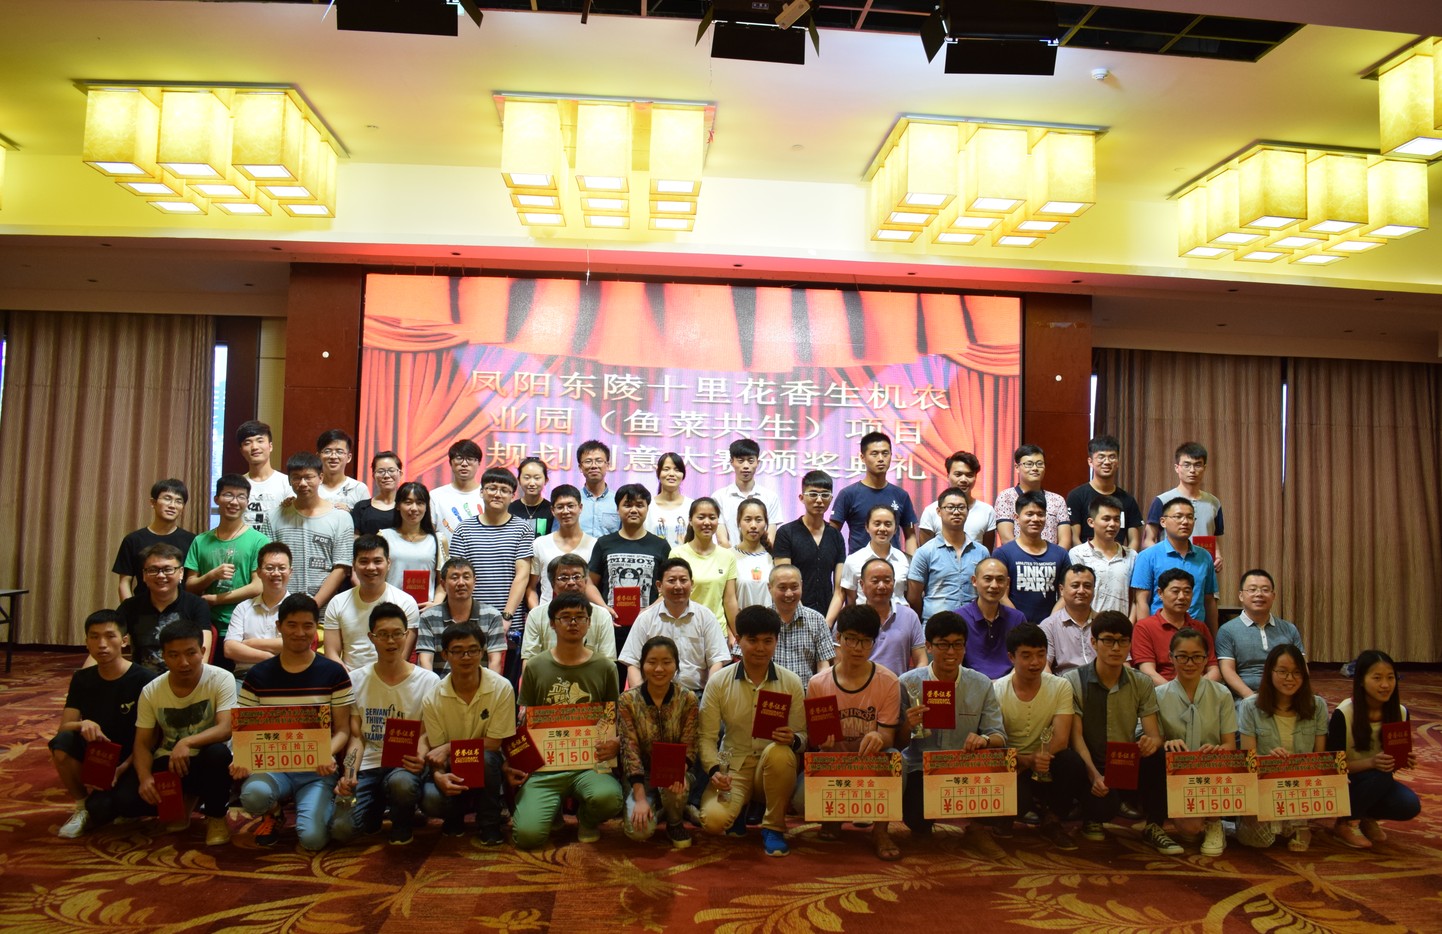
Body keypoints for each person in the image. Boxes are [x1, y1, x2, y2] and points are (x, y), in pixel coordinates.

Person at [235, 594, 354, 850]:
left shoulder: (333, 673)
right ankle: (273, 812)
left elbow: (343, 730)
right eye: (292, 625)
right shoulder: (258, 675)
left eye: (307, 626)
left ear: (316, 629)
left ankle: (322, 805)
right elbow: (245, 731)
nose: (300, 633)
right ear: (279, 626)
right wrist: (240, 759)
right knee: (254, 795)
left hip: (316, 770)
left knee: (312, 840)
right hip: (273, 767)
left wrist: (327, 753)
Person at [510, 594, 625, 849]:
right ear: (552, 623)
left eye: (580, 617)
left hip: (590, 763)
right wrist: (520, 762)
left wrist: (616, 742)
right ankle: (552, 812)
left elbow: (612, 716)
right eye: (565, 617)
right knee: (527, 837)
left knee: (609, 799)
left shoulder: (605, 667)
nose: (573, 623)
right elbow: (526, 721)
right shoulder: (536, 666)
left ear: (589, 622)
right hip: (546, 765)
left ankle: (587, 819)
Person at [1061, 612, 1180, 855]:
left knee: (1159, 756)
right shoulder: (1073, 680)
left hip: (1124, 764)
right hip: (1090, 765)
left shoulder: (1141, 682)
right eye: (1108, 640)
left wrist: (1151, 743)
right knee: (1078, 774)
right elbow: (1076, 737)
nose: (1116, 648)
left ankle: (1154, 825)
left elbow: (1154, 734)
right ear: (1093, 642)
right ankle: (1092, 814)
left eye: (1123, 641)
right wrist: (1094, 775)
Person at [697, 605, 807, 857]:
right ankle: (740, 809)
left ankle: (773, 827)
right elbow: (706, 737)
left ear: (776, 641)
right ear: (738, 640)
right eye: (752, 640)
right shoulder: (719, 682)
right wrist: (714, 770)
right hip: (734, 767)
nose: (760, 648)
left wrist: (793, 740)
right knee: (713, 822)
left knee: (780, 753)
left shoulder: (791, 682)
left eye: (768, 641)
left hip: (773, 767)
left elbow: (803, 736)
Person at [331, 603, 441, 845]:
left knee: (401, 783)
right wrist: (349, 774)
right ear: (372, 637)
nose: (391, 641)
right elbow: (356, 737)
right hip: (368, 766)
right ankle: (376, 806)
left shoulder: (428, 681)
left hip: (404, 765)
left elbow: (426, 734)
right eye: (383, 634)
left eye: (397, 634)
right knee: (342, 830)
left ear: (407, 635)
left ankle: (402, 824)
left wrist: (420, 754)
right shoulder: (356, 680)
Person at [897, 610, 1006, 855]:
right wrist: (907, 726)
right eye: (943, 644)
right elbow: (897, 743)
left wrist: (984, 739)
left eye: (958, 644)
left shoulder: (981, 683)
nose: (951, 652)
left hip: (963, 766)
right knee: (916, 815)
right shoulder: (908, 683)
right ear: (928, 646)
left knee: (1001, 764)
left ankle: (977, 830)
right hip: (921, 768)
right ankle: (921, 828)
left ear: (965, 647)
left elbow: (999, 736)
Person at [805, 605, 902, 860]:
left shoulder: (888, 681)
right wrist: (821, 743)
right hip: (833, 762)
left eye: (866, 641)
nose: (858, 648)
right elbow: (814, 740)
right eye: (851, 639)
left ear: (874, 642)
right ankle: (833, 817)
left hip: (869, 763)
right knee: (800, 798)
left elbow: (889, 736)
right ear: (838, 638)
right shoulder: (818, 683)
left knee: (893, 758)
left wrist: (879, 737)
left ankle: (880, 831)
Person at [51, 610, 157, 838]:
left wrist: (123, 767)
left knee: (124, 804)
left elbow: (152, 737)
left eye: (110, 636)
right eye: (94, 637)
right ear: (86, 641)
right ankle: (81, 806)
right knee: (62, 743)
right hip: (99, 756)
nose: (102, 644)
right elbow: (64, 727)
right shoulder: (82, 678)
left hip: (133, 757)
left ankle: (114, 802)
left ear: (124, 640)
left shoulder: (145, 679)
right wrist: (83, 724)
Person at [132, 620, 236, 846]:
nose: (184, 662)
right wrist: (144, 778)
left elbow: (225, 728)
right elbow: (142, 743)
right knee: (131, 801)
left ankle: (216, 816)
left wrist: (187, 742)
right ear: (164, 656)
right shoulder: (151, 691)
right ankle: (186, 799)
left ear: (203, 651)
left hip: (211, 760)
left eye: (191, 653)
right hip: (172, 763)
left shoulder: (221, 678)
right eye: (174, 655)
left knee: (217, 754)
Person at [418, 621, 516, 845]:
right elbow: (437, 752)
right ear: (445, 654)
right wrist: (438, 775)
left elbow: (493, 743)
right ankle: (454, 817)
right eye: (457, 651)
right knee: (431, 800)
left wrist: (450, 747)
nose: (466, 657)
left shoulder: (501, 688)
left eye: (473, 650)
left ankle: (489, 824)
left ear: (482, 652)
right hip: (452, 764)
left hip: (488, 764)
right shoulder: (432, 697)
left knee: (486, 758)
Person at [992, 623, 1086, 850]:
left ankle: (1052, 820)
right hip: (1013, 765)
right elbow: (995, 743)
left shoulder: (1061, 686)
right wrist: (1026, 761)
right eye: (1026, 656)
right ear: (1011, 657)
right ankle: (1016, 811)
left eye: (1041, 654)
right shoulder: (997, 690)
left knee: (1071, 762)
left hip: (1047, 760)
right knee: (1017, 802)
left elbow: (1061, 739)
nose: (1035, 662)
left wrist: (1038, 760)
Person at [1236, 644, 1328, 852]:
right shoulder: (1250, 706)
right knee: (1259, 840)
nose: (1290, 679)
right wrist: (1267, 760)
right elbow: (1248, 761)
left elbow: (1320, 757)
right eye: (1283, 672)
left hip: (1301, 784)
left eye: (1297, 673)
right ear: (1270, 672)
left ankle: (1302, 825)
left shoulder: (1317, 706)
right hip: (1265, 782)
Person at [1155, 627, 1237, 856]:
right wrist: (1166, 744)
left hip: (1211, 769)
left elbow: (1230, 744)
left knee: (1220, 759)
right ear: (1171, 657)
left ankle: (1215, 822)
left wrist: (1218, 749)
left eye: (1197, 657)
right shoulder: (1159, 695)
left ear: (1206, 659)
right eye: (1182, 656)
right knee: (1190, 830)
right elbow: (1154, 739)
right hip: (1178, 773)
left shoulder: (1221, 694)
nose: (1189, 663)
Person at [447, 467, 534, 680]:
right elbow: (457, 577)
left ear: (513, 495)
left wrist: (506, 617)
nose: (497, 494)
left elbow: (522, 576)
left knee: (505, 686)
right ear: (482, 491)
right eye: (492, 488)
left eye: (504, 490)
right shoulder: (463, 529)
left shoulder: (522, 529)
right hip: (469, 622)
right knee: (467, 682)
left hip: (510, 624)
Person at [1327, 649, 1420, 849]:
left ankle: (1365, 816)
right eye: (1377, 678)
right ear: (1361, 680)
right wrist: (1371, 763)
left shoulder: (1400, 712)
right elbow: (1332, 768)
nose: (1385, 685)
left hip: (1377, 780)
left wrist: (1404, 759)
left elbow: (1392, 762)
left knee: (1409, 805)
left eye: (1390, 678)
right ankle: (1345, 823)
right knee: (1381, 775)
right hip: (1346, 783)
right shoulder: (1344, 713)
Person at [618, 635, 700, 849]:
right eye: (652, 662)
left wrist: (679, 771)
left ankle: (674, 821)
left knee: (675, 787)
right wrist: (639, 797)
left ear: (676, 665)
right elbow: (629, 749)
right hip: (641, 776)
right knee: (639, 831)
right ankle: (657, 806)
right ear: (642, 665)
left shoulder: (687, 699)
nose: (659, 669)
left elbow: (691, 743)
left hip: (676, 771)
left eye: (666, 662)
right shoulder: (628, 700)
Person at [184, 474, 268, 661]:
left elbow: (258, 586)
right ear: (217, 499)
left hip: (246, 626)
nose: (234, 502)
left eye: (241, 497)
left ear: (247, 502)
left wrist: (216, 599)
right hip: (207, 625)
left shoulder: (259, 541)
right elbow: (189, 585)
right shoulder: (200, 540)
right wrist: (211, 576)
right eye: (228, 495)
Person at [620, 558, 731, 693]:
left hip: (698, 693)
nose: (678, 586)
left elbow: (717, 661)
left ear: (692, 584)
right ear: (659, 586)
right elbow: (633, 662)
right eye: (672, 581)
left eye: (683, 580)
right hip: (654, 694)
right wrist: (642, 697)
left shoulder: (706, 617)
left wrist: (709, 696)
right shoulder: (645, 619)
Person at [587, 483, 672, 658]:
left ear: (647, 509)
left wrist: (650, 610)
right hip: (611, 627)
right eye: (627, 505)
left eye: (639, 505)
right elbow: (589, 584)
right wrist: (604, 609)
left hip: (649, 627)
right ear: (617, 509)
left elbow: (668, 588)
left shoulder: (660, 545)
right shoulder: (604, 543)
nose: (633, 510)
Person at [265, 452, 355, 609]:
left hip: (325, 610)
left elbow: (341, 568)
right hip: (281, 608)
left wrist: (312, 606)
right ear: (289, 480)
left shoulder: (341, 518)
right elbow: (267, 563)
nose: (302, 483)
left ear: (321, 477)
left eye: (308, 477)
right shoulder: (274, 516)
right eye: (296, 477)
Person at [322, 534, 421, 670]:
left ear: (388, 563)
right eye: (364, 561)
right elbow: (331, 653)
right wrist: (349, 679)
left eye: (377, 561)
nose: (371, 567)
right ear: (353, 565)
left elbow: (403, 656)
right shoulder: (337, 603)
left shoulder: (406, 602)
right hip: (349, 678)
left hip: (392, 676)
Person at [117, 544, 213, 673]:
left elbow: (202, 655)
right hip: (142, 680)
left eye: (168, 569)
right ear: (144, 575)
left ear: (181, 573)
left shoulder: (197, 605)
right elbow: (108, 640)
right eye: (153, 570)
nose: (161, 575)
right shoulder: (130, 606)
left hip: (185, 677)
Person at [1130, 497, 1219, 636]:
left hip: (1196, 634)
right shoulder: (1147, 556)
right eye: (1178, 516)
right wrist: (1147, 636)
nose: (1185, 522)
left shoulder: (1205, 557)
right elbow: (1142, 602)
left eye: (1190, 517)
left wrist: (1214, 637)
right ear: (1163, 522)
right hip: (1160, 632)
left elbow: (1209, 601)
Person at [1216, 569, 1304, 699]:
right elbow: (1227, 671)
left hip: (1285, 694)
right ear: (1241, 596)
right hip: (1245, 697)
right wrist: (1251, 698)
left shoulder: (1289, 629)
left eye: (1265, 590)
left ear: (1273, 596)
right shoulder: (1227, 631)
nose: (1259, 594)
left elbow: (1302, 667)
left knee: (1318, 705)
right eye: (1252, 590)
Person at [773, 470, 847, 618]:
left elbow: (839, 589)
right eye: (813, 494)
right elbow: (785, 582)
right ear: (801, 497)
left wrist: (826, 623)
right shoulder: (786, 533)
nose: (819, 500)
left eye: (825, 495)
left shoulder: (836, 536)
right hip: (792, 615)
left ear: (831, 498)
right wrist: (807, 621)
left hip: (827, 616)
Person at [907, 487, 988, 621]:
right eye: (950, 507)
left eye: (961, 507)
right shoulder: (924, 552)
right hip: (935, 625)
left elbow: (985, 591)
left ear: (968, 511)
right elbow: (913, 597)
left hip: (972, 624)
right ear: (939, 511)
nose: (956, 512)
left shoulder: (981, 552)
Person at [830, 431, 918, 554]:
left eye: (885, 453)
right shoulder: (848, 494)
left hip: (893, 564)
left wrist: (911, 563)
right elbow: (832, 535)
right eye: (874, 454)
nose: (881, 459)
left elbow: (910, 535)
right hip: (859, 564)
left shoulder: (901, 495)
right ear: (862, 457)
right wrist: (841, 562)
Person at [1144, 442, 1225, 573]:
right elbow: (1148, 539)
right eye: (1187, 465)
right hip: (1170, 571)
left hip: (1202, 569)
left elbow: (1213, 536)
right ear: (1177, 468)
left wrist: (1218, 556)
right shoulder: (1162, 501)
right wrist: (1161, 563)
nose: (1192, 470)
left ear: (1204, 468)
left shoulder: (1214, 502)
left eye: (1197, 465)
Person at [417, 559, 506, 677]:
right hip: (440, 685)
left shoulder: (492, 616)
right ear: (443, 584)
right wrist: (434, 688)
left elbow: (494, 662)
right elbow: (425, 661)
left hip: (480, 685)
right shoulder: (429, 617)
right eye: (454, 578)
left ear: (474, 582)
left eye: (466, 577)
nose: (461, 583)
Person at [522, 554, 615, 667]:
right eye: (564, 578)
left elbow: (607, 662)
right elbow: (529, 661)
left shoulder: (602, 615)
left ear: (586, 581)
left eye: (577, 577)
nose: (571, 582)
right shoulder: (536, 615)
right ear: (552, 584)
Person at [1132, 569, 1220, 685]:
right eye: (1175, 591)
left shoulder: (1200, 627)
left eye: (1187, 591)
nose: (1182, 597)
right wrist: (1175, 693)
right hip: (1161, 691)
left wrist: (1197, 690)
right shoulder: (1144, 627)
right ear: (1160, 593)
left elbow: (1213, 669)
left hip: (1199, 689)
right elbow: (1147, 672)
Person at [113, 478, 194, 602]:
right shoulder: (133, 540)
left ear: (183, 508)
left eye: (178, 501)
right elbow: (125, 582)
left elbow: (192, 581)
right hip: (142, 608)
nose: (172, 505)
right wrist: (128, 610)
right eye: (167, 498)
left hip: (180, 608)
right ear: (153, 502)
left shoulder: (192, 540)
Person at [993, 491, 1070, 623]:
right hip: (1013, 626)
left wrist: (1050, 623)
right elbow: (1000, 595)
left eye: (1040, 514)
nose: (1035, 519)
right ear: (1017, 517)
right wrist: (1020, 622)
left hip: (1050, 627)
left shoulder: (1060, 554)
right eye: (1029, 514)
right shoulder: (1003, 554)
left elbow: (1067, 592)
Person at [670, 497, 740, 643]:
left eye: (712, 517)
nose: (707, 522)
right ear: (690, 520)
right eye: (701, 517)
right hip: (684, 631)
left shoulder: (728, 556)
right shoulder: (677, 554)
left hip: (717, 632)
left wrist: (738, 635)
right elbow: (670, 597)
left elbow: (730, 600)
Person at [224, 541, 292, 680]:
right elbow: (230, 649)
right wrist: (269, 658)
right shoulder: (243, 608)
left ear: (290, 571)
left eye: (282, 568)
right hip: (245, 677)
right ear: (259, 572)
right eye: (270, 568)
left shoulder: (298, 607)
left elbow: (297, 645)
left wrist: (250, 643)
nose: (276, 573)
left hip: (286, 677)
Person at [832, 505, 910, 620]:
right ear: (867, 527)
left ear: (895, 529)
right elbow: (851, 600)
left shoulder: (905, 559)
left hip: (900, 620)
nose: (882, 529)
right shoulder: (853, 560)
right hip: (865, 620)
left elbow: (907, 595)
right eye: (877, 524)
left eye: (888, 524)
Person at [1065, 435, 1143, 549]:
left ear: (1118, 461)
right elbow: (1074, 538)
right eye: (1101, 457)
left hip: (1118, 557)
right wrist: (1087, 558)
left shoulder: (1128, 500)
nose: (1107, 462)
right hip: (1084, 557)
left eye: (1112, 457)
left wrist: (1125, 559)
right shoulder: (1076, 496)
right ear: (1090, 462)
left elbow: (1134, 540)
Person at [992, 445, 1072, 548]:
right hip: (1017, 556)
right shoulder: (1006, 497)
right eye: (1029, 464)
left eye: (1039, 464)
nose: (1035, 468)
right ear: (1017, 467)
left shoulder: (1057, 500)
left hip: (1052, 557)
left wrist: (1052, 556)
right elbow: (1007, 538)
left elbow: (1065, 541)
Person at [1067, 495, 1135, 615]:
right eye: (1106, 519)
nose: (1112, 524)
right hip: (1089, 623)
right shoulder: (1078, 554)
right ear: (1091, 522)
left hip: (1122, 624)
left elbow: (1136, 598)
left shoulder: (1131, 555)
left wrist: (1130, 623)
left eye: (1117, 519)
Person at [528, 484, 594, 607]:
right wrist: (536, 613)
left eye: (570, 506)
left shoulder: (594, 545)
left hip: (583, 614)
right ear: (552, 511)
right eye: (560, 507)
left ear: (580, 508)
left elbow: (594, 587)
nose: (565, 511)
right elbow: (531, 588)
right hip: (547, 614)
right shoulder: (539, 544)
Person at [960, 558, 1026, 679]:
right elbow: (954, 663)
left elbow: (1023, 659)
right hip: (969, 685)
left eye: (1000, 580)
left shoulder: (1017, 618)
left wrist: (1002, 684)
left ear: (1007, 583)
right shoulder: (958, 618)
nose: (994, 585)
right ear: (974, 581)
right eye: (988, 579)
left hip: (1009, 685)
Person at [916, 451, 997, 550]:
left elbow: (987, 553)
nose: (963, 480)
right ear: (948, 476)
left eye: (969, 475)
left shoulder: (987, 511)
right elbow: (924, 552)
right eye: (958, 474)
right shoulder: (931, 511)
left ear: (975, 477)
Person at [855, 563, 926, 676]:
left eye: (887, 581)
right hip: (860, 685)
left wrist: (911, 683)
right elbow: (839, 661)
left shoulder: (909, 616)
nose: (882, 586)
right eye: (875, 581)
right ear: (862, 585)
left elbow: (921, 661)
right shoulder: (851, 618)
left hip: (899, 685)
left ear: (894, 583)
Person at [379, 482, 441, 608]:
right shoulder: (384, 536)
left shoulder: (438, 540)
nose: (414, 508)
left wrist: (436, 604)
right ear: (398, 505)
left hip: (425, 610)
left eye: (420, 503)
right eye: (408, 502)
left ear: (426, 507)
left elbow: (443, 582)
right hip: (391, 608)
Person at [712, 438, 783, 547]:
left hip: (762, 556)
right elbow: (722, 540)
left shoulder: (770, 497)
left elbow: (770, 538)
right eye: (740, 461)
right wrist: (736, 555)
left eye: (750, 461)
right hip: (730, 556)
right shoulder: (719, 497)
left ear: (758, 462)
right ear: (732, 462)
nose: (746, 466)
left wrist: (757, 555)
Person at [768, 565, 835, 680]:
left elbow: (823, 666)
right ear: (770, 588)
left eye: (794, 587)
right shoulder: (759, 620)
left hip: (806, 689)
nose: (789, 594)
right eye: (782, 587)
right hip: (768, 690)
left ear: (801, 586)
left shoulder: (817, 620)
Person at [429, 439, 485, 561]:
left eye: (470, 459)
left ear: (479, 463)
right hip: (446, 565)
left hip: (482, 563)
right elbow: (428, 536)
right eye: (459, 458)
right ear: (450, 462)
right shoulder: (435, 496)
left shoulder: (488, 496)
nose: (464, 464)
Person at [1038, 565, 1098, 674]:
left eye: (1087, 586)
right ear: (1061, 590)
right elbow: (1043, 666)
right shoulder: (1049, 625)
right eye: (1075, 586)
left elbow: (1121, 662)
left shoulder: (1104, 622)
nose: (1081, 591)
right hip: (1065, 683)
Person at [238, 420, 289, 534]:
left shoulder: (287, 483)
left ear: (270, 446)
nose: (254, 447)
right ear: (241, 450)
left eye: (260, 441)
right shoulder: (237, 485)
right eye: (247, 443)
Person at [733, 499, 775, 610]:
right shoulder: (728, 556)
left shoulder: (773, 557)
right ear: (739, 522)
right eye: (747, 519)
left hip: (770, 619)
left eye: (758, 520)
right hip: (738, 619)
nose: (753, 525)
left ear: (765, 523)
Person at [350, 451, 403, 535]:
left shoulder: (407, 507)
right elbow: (356, 538)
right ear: (373, 476)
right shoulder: (361, 507)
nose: (386, 475)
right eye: (381, 471)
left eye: (391, 470)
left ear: (400, 474)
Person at [577, 439, 621, 538]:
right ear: (580, 467)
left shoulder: (618, 501)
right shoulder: (573, 501)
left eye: (599, 461)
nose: (594, 466)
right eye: (588, 461)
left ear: (607, 465)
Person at [315, 428, 370, 509]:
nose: (333, 456)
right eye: (327, 451)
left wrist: (350, 512)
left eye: (339, 452)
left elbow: (366, 516)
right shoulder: (310, 487)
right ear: (318, 456)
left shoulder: (359, 488)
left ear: (349, 457)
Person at [649, 452, 694, 547]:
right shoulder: (647, 505)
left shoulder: (692, 506)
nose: (671, 474)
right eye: (666, 469)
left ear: (683, 475)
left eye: (677, 470)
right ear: (658, 473)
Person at [509, 456, 554, 538]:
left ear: (546, 480)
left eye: (537, 478)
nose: (532, 483)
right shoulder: (510, 509)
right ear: (519, 480)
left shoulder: (552, 510)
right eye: (527, 478)